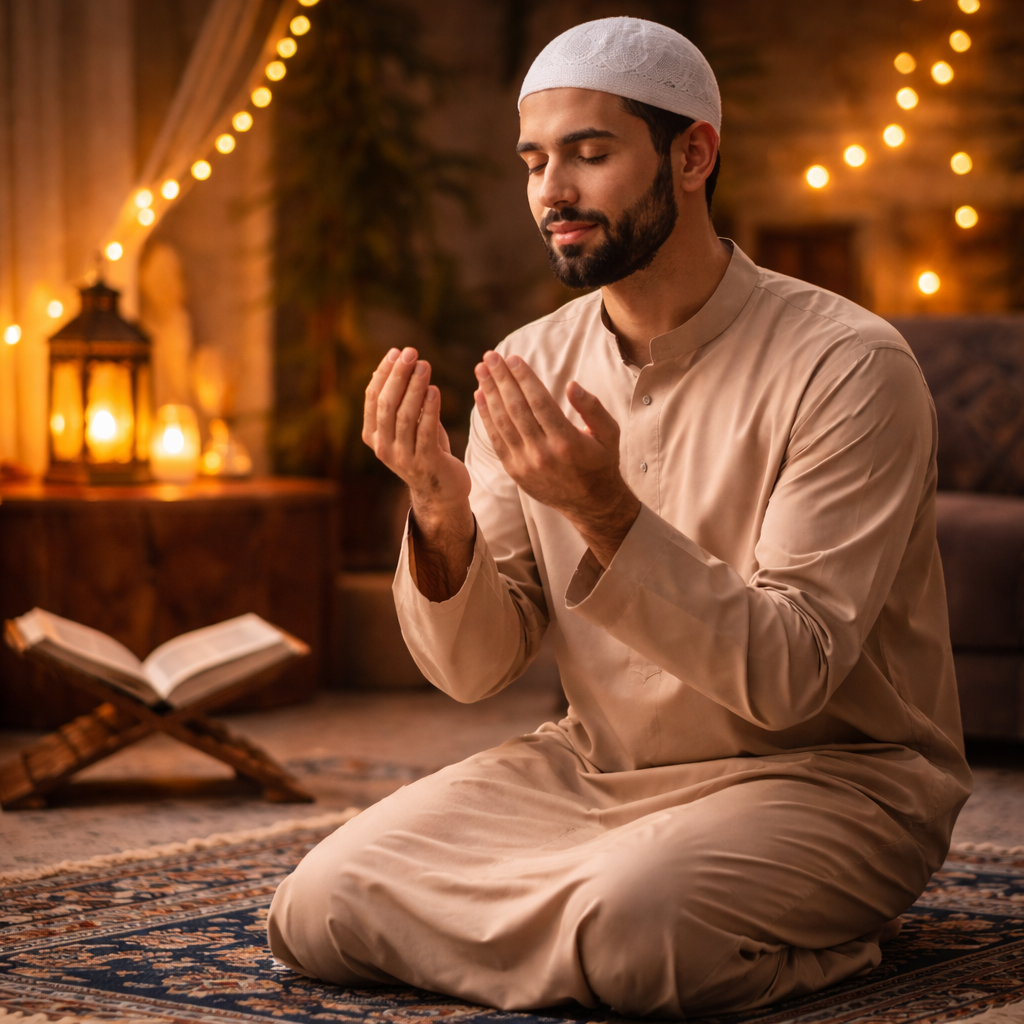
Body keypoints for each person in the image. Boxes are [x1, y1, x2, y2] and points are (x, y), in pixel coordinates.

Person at [268, 17, 971, 1017]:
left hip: (832, 777)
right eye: (534, 162)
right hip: (597, 769)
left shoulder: (846, 365)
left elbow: (791, 675)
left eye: (589, 154)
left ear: (691, 155)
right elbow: (473, 670)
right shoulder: (530, 365)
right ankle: (600, 913)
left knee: (641, 929)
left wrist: (604, 509)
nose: (552, 192)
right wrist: (438, 513)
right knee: (316, 907)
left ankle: (755, 938)